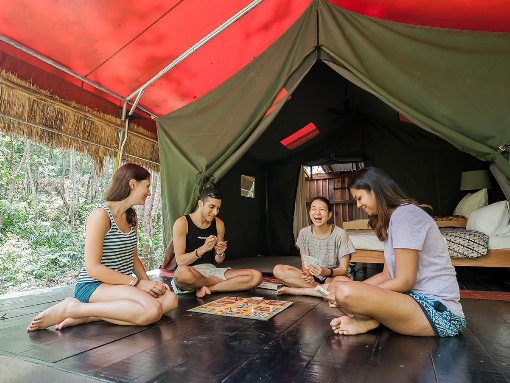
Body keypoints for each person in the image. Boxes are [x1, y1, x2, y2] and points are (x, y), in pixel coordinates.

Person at [27, 163, 178, 331]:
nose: (149, 192)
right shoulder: (100, 215)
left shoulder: (131, 216)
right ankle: (73, 308)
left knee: (170, 300)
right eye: (147, 186)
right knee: (152, 310)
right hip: (93, 286)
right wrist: (138, 284)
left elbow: (133, 258)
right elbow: (93, 269)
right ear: (133, 184)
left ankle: (87, 316)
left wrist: (150, 285)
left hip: (121, 285)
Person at [327, 167, 466, 337]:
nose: (358, 205)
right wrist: (356, 289)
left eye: (359, 198)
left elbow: (404, 281)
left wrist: (356, 294)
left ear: (375, 190)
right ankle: (369, 321)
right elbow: (387, 275)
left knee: (345, 292)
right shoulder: (391, 220)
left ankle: (368, 318)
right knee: (340, 284)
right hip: (410, 301)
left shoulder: (405, 215)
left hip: (438, 311)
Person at [171, 187, 262, 298]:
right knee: (181, 274)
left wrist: (220, 253)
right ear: (200, 203)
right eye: (212, 207)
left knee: (256, 276)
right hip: (190, 272)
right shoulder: (182, 223)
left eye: (218, 208)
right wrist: (203, 249)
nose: (215, 212)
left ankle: (208, 288)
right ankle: (212, 282)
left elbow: (218, 260)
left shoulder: (218, 224)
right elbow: (180, 261)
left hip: (210, 270)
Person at [273, 196, 355, 297]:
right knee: (278, 270)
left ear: (329, 215)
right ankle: (322, 291)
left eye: (322, 209)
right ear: (309, 213)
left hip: (333, 276)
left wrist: (326, 272)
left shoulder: (340, 234)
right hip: (313, 278)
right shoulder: (304, 233)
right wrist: (307, 274)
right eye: (313, 209)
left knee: (345, 283)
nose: (317, 212)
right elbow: (305, 265)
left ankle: (299, 291)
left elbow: (344, 270)